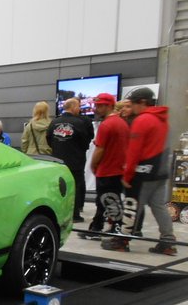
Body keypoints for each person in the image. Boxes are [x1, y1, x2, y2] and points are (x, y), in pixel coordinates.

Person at [102, 87, 177, 255]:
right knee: (159, 207)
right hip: (161, 172)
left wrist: (127, 175)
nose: (132, 107)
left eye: (133, 103)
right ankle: (168, 241)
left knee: (131, 206)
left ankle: (121, 241)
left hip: (143, 173)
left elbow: (134, 151)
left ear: (143, 102)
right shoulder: (164, 120)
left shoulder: (142, 121)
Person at [87, 93, 129, 239]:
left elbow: (100, 149)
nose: (97, 109)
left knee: (109, 200)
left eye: (100, 106)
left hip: (107, 170)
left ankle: (112, 230)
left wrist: (93, 165)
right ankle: (97, 227)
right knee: (106, 200)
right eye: (97, 105)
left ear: (109, 105)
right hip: (117, 169)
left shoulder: (107, 125)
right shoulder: (122, 123)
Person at [47, 97, 94, 222]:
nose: (79, 108)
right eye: (78, 106)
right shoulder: (80, 123)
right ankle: (74, 214)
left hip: (57, 160)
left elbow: (48, 140)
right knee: (75, 186)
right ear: (73, 107)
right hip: (75, 161)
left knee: (59, 186)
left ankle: (59, 212)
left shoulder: (54, 122)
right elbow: (85, 142)